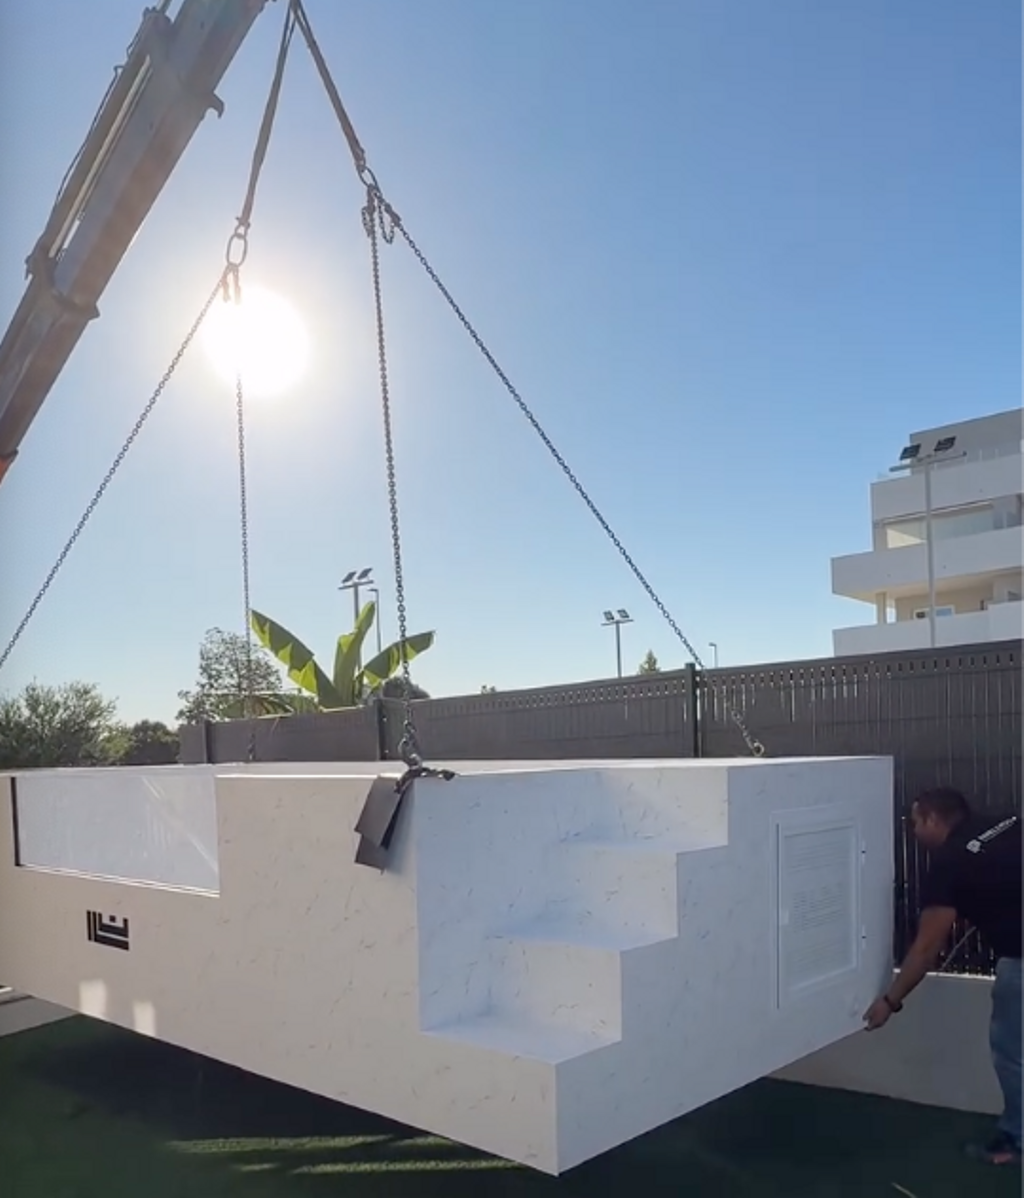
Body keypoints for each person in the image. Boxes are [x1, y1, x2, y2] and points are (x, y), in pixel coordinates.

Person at [863, 787, 1022, 1166]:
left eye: (915, 822)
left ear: (933, 819)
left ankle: (1017, 1141)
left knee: (1013, 1055)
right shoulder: (1008, 821)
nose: (914, 833)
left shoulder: (951, 863)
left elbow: (925, 949)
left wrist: (890, 1001)